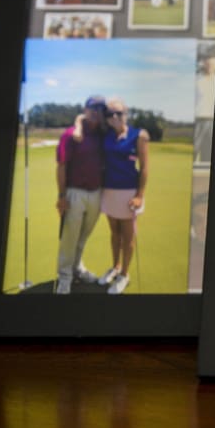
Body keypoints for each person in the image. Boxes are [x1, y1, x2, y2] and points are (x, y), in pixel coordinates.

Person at [54, 96, 106, 294]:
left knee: (83, 237)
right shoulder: (70, 135)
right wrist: (61, 195)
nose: (96, 111)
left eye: (101, 108)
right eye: (93, 107)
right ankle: (64, 277)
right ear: (85, 108)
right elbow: (61, 166)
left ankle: (77, 268)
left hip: (96, 193)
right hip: (74, 192)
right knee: (69, 237)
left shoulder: (103, 133)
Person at [97, 99, 149, 294]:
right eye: (110, 114)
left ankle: (124, 275)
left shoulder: (139, 135)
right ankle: (116, 267)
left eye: (119, 113)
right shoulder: (106, 135)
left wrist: (140, 196)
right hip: (109, 191)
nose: (115, 117)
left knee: (127, 237)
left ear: (126, 113)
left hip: (129, 193)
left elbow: (144, 168)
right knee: (114, 234)